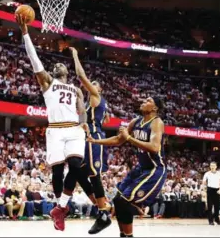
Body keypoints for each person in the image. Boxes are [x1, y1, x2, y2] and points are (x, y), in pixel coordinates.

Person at [16, 14, 92, 231]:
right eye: (55, 64)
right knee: (58, 172)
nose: (58, 64)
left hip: (74, 129)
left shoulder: (76, 89)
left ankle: (60, 207)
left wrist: (85, 122)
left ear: (67, 71)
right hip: (56, 130)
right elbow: (34, 60)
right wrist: (25, 33)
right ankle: (61, 211)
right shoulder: (47, 82)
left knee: (76, 167)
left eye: (61, 63)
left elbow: (82, 110)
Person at [88, 97, 166, 237]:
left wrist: (129, 138)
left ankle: (139, 209)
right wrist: (95, 141)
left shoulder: (156, 122)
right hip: (141, 168)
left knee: (124, 201)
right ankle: (125, 234)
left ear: (155, 108)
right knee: (118, 199)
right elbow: (119, 139)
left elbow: (154, 147)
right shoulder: (136, 121)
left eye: (147, 101)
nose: (143, 101)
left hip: (154, 170)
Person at [70, 47, 111, 234]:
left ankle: (103, 213)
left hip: (95, 139)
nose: (91, 85)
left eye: (94, 84)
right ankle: (103, 207)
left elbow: (80, 75)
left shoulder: (95, 96)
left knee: (94, 175)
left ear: (99, 89)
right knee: (79, 173)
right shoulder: (90, 103)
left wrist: (75, 56)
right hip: (87, 138)